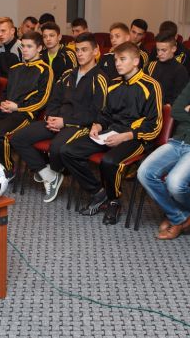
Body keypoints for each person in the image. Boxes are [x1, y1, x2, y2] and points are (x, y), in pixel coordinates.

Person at [60, 42, 163, 225]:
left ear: (136, 61)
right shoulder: (113, 83)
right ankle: (99, 192)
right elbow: (105, 114)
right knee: (67, 151)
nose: (117, 63)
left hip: (136, 137)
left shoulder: (151, 85)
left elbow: (154, 125)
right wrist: (97, 126)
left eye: (122, 59)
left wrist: (125, 136)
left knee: (109, 161)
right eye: (116, 59)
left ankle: (114, 201)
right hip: (110, 132)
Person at [11, 33, 107, 202]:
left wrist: (65, 122)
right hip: (58, 121)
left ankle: (55, 171)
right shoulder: (68, 74)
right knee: (18, 137)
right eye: (77, 50)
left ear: (96, 51)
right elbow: (54, 99)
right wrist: (51, 118)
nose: (80, 54)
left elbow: (96, 112)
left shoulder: (100, 78)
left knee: (57, 148)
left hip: (79, 126)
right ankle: (48, 174)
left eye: (84, 50)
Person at [0, 31, 53, 179]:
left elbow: (42, 100)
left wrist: (17, 107)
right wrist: (4, 103)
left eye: (29, 46)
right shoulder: (15, 68)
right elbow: (5, 91)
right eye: (23, 46)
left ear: (39, 48)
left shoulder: (45, 70)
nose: (24, 49)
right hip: (5, 110)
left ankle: (8, 170)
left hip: (24, 114)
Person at [137, 81, 190, 239]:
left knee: (174, 183)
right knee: (144, 173)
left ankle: (176, 218)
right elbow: (176, 111)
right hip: (176, 142)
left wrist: (187, 111)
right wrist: (185, 110)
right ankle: (179, 216)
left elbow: (183, 112)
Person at [145, 32, 189, 105]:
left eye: (164, 50)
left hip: (165, 109)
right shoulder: (150, 66)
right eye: (158, 50)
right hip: (148, 106)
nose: (159, 53)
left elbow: (179, 98)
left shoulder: (180, 70)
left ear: (173, 49)